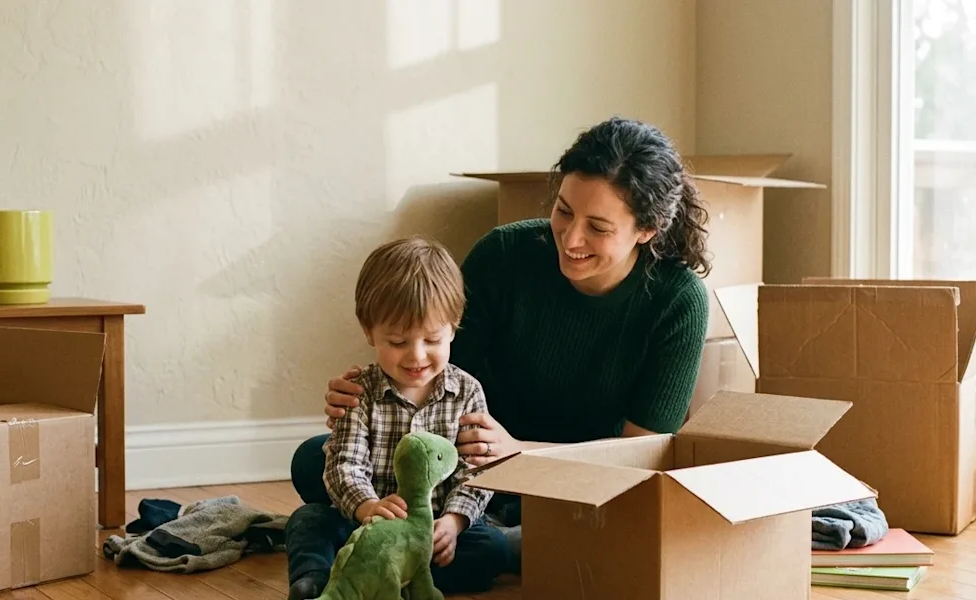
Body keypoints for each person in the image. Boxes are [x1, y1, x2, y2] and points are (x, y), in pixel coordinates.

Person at [299, 116, 712, 571]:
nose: (571, 238)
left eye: (598, 227)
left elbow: (644, 454)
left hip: (585, 475)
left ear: (647, 229)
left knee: (625, 502)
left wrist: (522, 449)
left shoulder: (677, 300)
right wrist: (364, 401)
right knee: (310, 459)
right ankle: (488, 538)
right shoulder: (502, 255)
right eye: (564, 210)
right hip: (470, 462)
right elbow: (435, 372)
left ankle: (496, 540)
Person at [284, 236, 510, 600]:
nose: (417, 355)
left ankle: (386, 584)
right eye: (398, 341)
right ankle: (315, 580)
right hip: (369, 528)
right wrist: (367, 507)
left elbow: (477, 473)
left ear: (454, 329)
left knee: (492, 548)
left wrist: (454, 524)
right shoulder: (361, 392)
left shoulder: (468, 392)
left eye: (433, 339)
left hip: (434, 529)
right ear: (370, 332)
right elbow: (343, 465)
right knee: (308, 521)